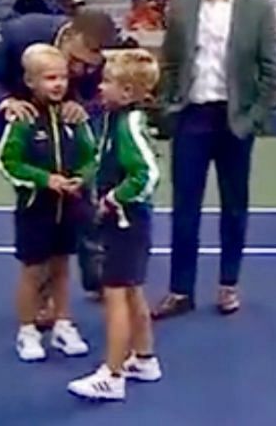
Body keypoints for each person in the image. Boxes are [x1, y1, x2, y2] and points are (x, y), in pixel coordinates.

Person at [153, 0, 276, 319]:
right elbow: (171, 64)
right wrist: (167, 107)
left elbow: (271, 70)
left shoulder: (258, 8)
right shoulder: (180, 7)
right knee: (184, 208)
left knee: (234, 207)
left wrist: (254, 118)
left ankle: (228, 285)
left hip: (234, 121)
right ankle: (180, 290)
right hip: (191, 118)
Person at [0, 10, 118, 300]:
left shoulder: (93, 65)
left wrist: (82, 108)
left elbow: (95, 98)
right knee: (39, 198)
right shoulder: (20, 32)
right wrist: (8, 102)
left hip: (65, 117)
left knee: (85, 190)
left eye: (88, 66)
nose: (80, 70)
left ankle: (97, 275)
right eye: (75, 61)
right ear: (70, 35)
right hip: (22, 111)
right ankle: (41, 290)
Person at [67, 49, 163, 401]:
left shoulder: (129, 125)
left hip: (128, 221)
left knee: (115, 294)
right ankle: (145, 358)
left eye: (107, 82)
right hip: (121, 220)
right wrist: (85, 179)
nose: (101, 87)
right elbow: (100, 158)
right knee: (132, 289)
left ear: (127, 92)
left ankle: (113, 373)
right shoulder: (112, 119)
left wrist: (115, 198)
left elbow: (147, 173)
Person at [0, 44, 94, 362]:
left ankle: (63, 324)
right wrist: (44, 180)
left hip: (68, 209)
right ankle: (27, 331)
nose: (58, 84)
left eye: (63, 78)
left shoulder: (74, 117)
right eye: (50, 78)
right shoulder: (22, 119)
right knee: (33, 272)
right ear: (31, 81)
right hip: (34, 209)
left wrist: (81, 177)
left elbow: (90, 157)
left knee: (63, 268)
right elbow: (8, 164)